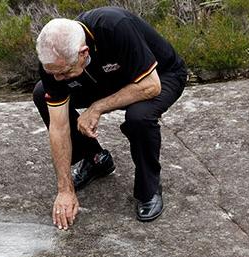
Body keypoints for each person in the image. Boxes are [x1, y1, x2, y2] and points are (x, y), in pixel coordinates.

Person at [33, 6, 188, 230]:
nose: (58, 78)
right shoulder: (53, 60)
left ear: (83, 53)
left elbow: (151, 86)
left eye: (64, 72)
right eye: (53, 73)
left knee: (139, 117)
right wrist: (65, 189)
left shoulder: (115, 26)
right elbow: (58, 126)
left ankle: (149, 189)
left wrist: (97, 108)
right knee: (41, 94)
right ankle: (95, 159)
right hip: (105, 78)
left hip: (159, 76)